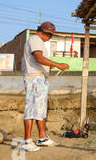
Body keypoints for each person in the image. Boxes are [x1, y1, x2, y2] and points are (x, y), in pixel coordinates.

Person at [20, 21, 69, 152]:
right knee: (31, 109)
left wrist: (50, 65)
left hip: (39, 78)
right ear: (45, 32)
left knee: (40, 109)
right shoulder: (35, 39)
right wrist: (58, 64)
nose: (50, 38)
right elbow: (39, 58)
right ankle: (27, 141)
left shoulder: (38, 41)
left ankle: (42, 138)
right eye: (50, 35)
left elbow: (40, 60)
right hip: (34, 78)